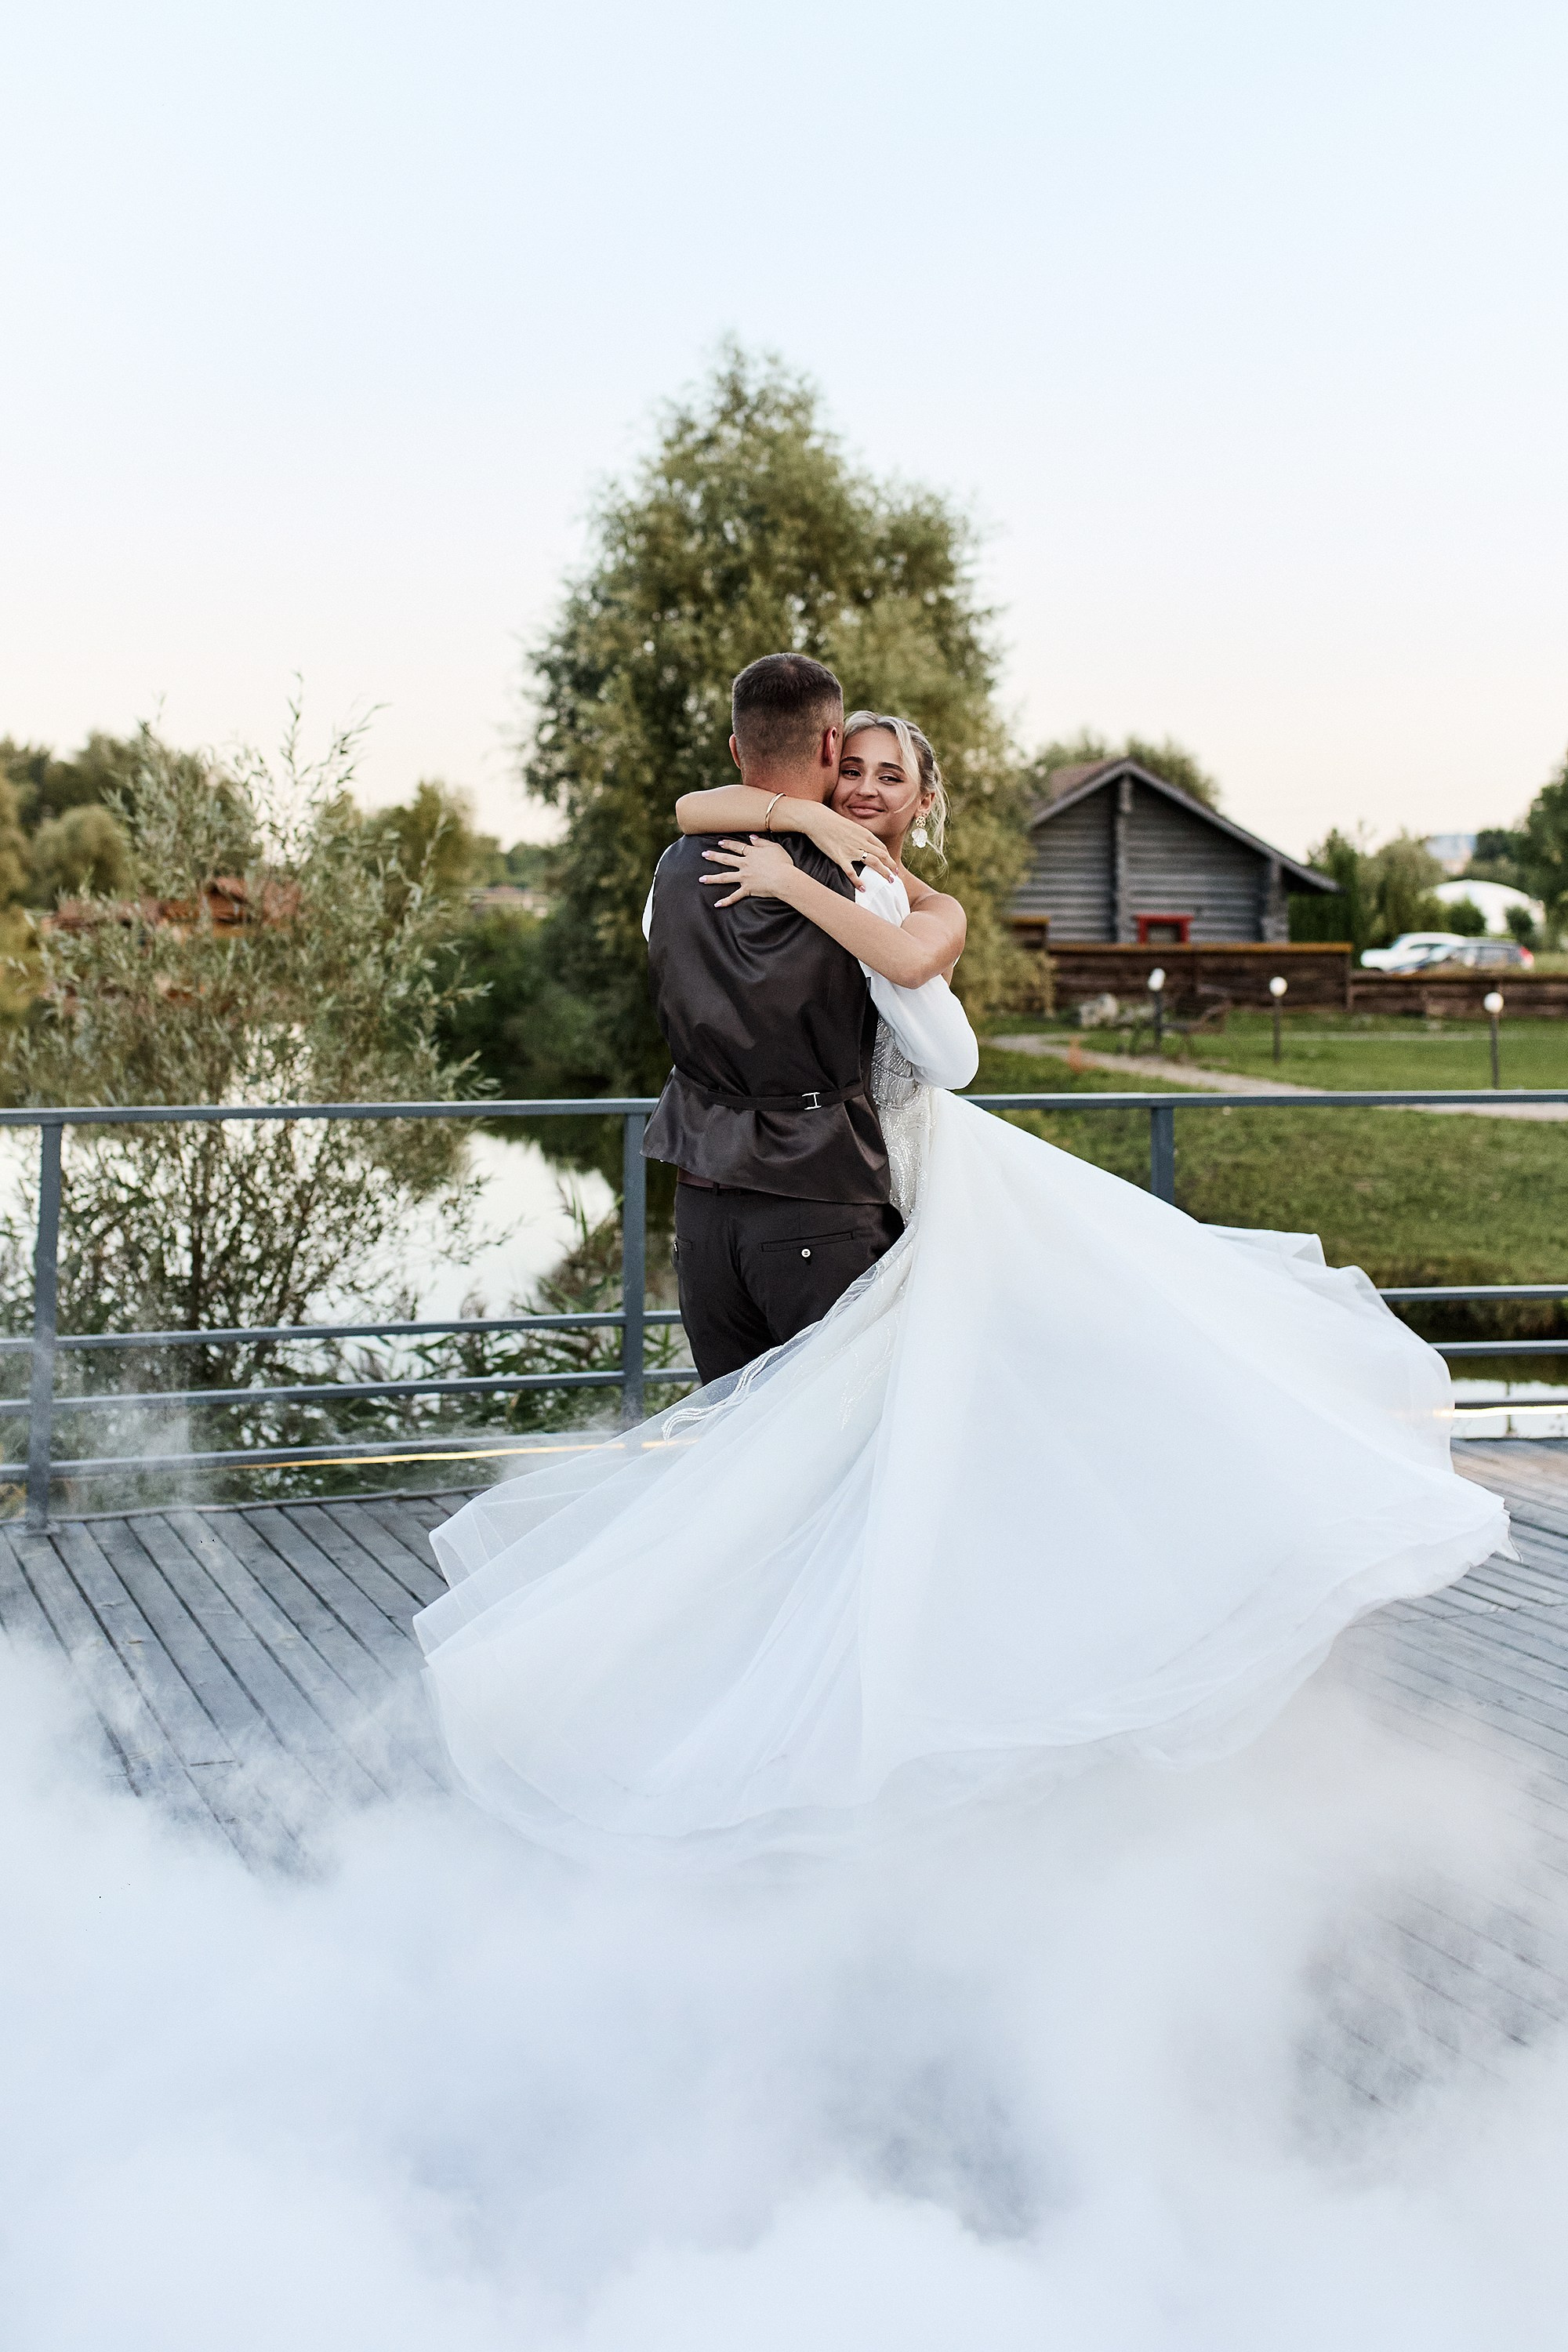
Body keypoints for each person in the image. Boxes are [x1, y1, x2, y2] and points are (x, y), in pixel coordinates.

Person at [413, 706, 1507, 1866]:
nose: (872, 787)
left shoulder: (877, 895)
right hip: (836, 1193)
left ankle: (906, 1720)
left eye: (895, 776)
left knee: (893, 1470)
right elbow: (699, 811)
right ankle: (820, 1724)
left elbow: (953, 1058)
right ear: (820, 770)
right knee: (835, 1476)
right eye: (856, 767)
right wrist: (793, 840)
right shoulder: (771, 852)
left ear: (924, 802)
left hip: (900, 1192)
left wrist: (824, 884)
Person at [636, 653, 975, 1385]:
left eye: (890, 777)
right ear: (831, 747)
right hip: (816, 1207)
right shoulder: (865, 888)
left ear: (736, 752)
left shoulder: (669, 871)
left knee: (733, 1441)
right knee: (837, 1449)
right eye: (854, 766)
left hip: (699, 1211)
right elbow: (948, 1060)